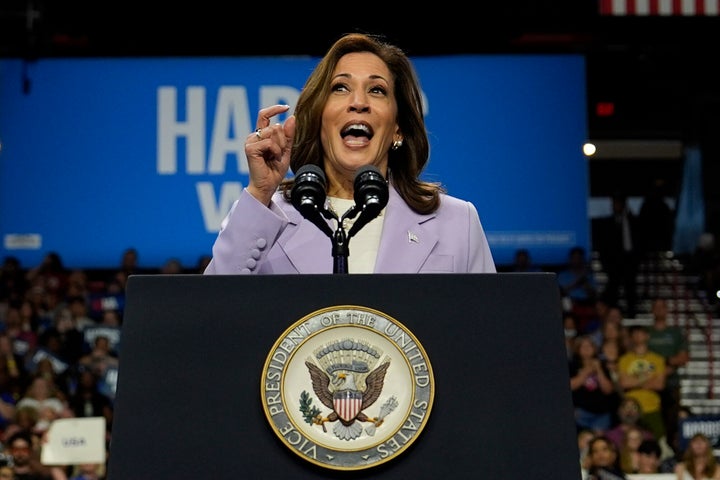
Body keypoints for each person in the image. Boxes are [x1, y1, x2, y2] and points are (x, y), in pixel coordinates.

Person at [203, 33, 495, 275]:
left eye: (377, 90)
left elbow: (490, 335)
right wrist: (260, 192)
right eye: (340, 88)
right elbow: (211, 317)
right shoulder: (269, 220)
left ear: (398, 129)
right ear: (320, 119)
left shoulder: (457, 224)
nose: (359, 102)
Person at [646, 297, 690, 455]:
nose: (659, 309)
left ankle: (673, 451)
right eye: (655, 306)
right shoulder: (646, 333)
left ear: (667, 310)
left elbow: (684, 357)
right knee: (651, 419)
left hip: (671, 383)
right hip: (648, 384)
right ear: (651, 310)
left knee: (672, 420)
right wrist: (663, 367)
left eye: (662, 306)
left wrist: (664, 364)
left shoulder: (675, 332)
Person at [595, 191, 640, 319]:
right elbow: (602, 246)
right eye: (614, 203)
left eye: (619, 203)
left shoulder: (634, 221)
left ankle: (632, 316)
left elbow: (640, 243)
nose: (616, 206)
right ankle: (611, 315)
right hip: (613, 264)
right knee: (612, 291)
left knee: (630, 290)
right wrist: (606, 265)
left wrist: (636, 260)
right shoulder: (607, 223)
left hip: (630, 263)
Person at [618, 324, 666, 441]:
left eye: (641, 334)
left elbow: (659, 385)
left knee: (657, 440)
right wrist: (649, 379)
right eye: (635, 334)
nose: (638, 337)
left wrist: (634, 381)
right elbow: (624, 383)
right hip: (630, 409)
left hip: (652, 407)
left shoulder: (658, 359)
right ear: (631, 338)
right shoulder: (624, 359)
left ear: (647, 336)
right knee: (629, 440)